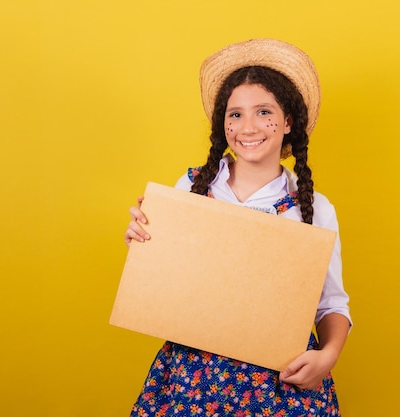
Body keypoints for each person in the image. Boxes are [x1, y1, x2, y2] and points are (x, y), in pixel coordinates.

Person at [124, 38, 351, 417]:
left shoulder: (314, 209)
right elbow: (168, 279)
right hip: (192, 377)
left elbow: (332, 304)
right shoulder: (193, 188)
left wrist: (328, 356)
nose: (248, 127)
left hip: (280, 387)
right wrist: (143, 243)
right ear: (222, 123)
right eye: (235, 114)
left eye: (264, 112)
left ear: (288, 122)